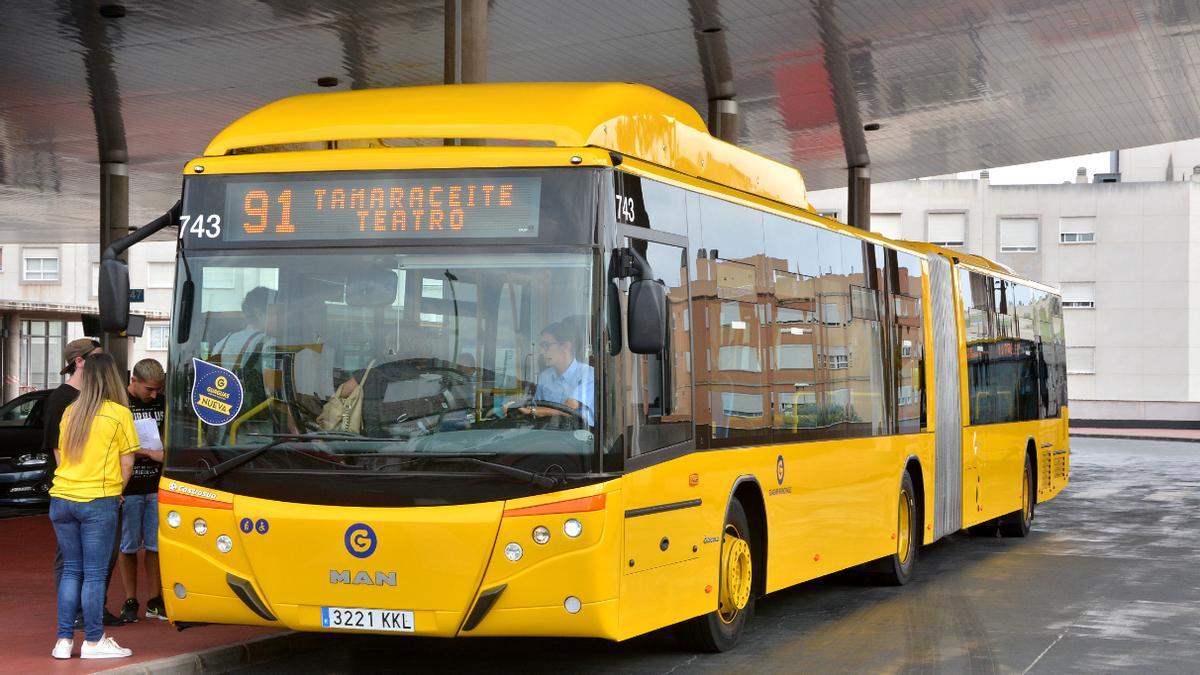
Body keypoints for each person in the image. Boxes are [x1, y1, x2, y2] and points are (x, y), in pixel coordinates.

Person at [49, 352, 137, 660]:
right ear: (114, 379)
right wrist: (117, 491)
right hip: (98, 500)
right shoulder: (119, 414)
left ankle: (63, 641)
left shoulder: (71, 411)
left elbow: (60, 455)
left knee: (71, 570)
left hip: (62, 498)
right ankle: (93, 641)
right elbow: (128, 463)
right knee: (95, 574)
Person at [42, 339, 123, 630]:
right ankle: (82, 619)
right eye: (97, 359)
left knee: (90, 562)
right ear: (80, 362)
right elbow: (57, 448)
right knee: (76, 563)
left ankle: (85, 616)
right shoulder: (62, 400)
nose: (103, 366)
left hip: (81, 491)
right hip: (81, 491)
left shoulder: (91, 402)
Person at [118, 358, 167, 623]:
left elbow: (166, 431)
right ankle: (130, 599)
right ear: (133, 381)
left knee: (155, 545)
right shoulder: (119, 403)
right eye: (149, 389)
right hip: (131, 484)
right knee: (128, 545)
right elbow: (117, 443)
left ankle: (155, 599)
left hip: (156, 484)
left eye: (158, 389)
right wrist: (149, 452)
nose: (154, 394)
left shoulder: (162, 401)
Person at [507, 322, 594, 425]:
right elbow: (538, 407)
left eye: (546, 345)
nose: (541, 351)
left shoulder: (588, 373)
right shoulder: (545, 376)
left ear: (565, 347)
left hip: (580, 435)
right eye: (541, 346)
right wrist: (517, 406)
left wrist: (532, 411)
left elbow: (570, 407)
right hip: (550, 433)